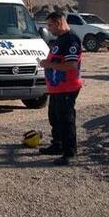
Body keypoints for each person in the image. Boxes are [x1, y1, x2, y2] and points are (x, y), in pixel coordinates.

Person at [38, 11, 83, 166]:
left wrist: (48, 65)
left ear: (58, 23)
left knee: (66, 119)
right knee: (55, 117)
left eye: (50, 25)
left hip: (67, 87)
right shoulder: (59, 40)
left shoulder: (71, 40)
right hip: (56, 87)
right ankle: (57, 144)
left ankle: (70, 152)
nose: (49, 29)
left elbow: (71, 65)